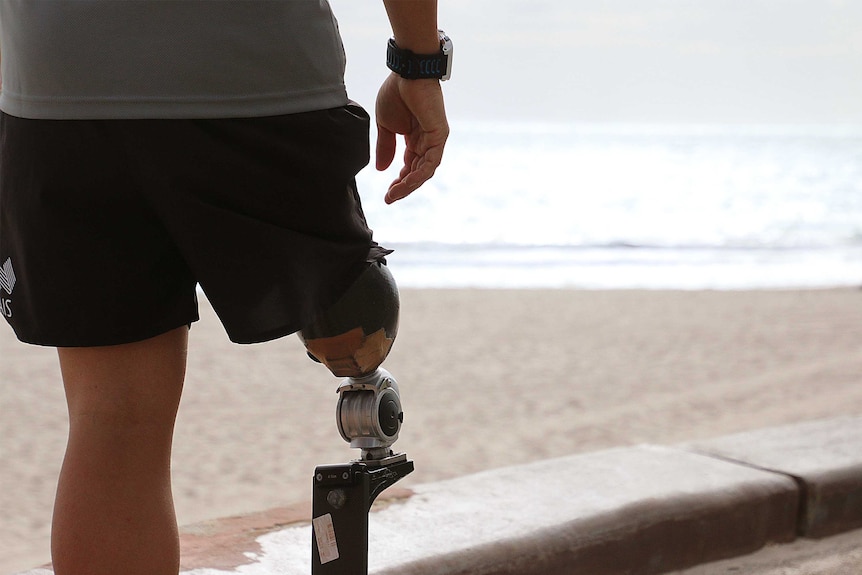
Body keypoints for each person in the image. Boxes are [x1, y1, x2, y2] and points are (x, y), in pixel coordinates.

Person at [0, 1, 449, 574]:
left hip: (55, 82)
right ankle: (362, 377)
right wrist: (418, 63)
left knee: (112, 418)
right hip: (252, 75)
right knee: (355, 315)